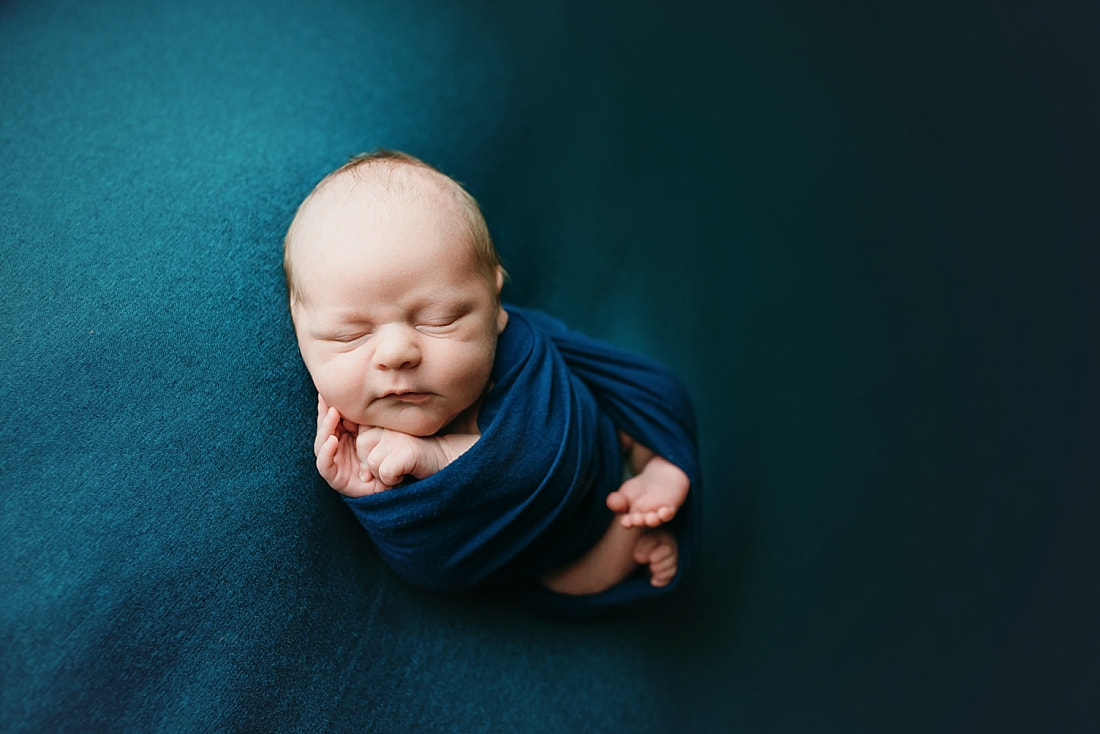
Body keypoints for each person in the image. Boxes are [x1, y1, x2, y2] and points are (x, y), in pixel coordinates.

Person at [284, 150, 694, 597]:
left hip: (600, 442)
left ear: (495, 306)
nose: (397, 352)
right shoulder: (354, 444)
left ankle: (654, 463)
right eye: (350, 335)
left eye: (438, 319)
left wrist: (436, 458)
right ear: (300, 329)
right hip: (560, 545)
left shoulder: (517, 356)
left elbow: (550, 457)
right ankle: (628, 542)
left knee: (637, 412)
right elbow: (438, 569)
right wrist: (373, 499)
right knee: (567, 580)